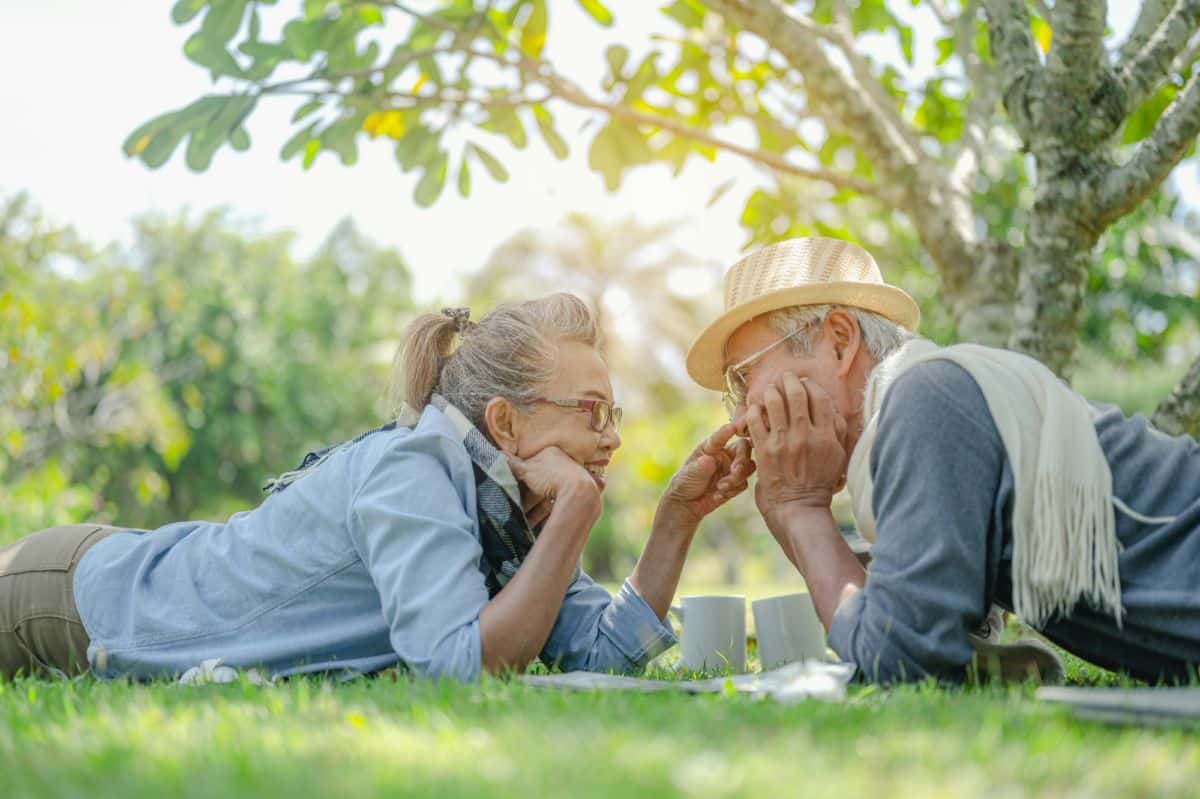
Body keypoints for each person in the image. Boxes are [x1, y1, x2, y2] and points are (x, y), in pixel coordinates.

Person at [0, 293, 754, 682]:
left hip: (108, 580)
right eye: (591, 412)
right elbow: (462, 668)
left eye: (612, 412)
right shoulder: (414, 469)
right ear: (506, 424)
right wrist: (578, 515)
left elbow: (600, 652)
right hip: (76, 598)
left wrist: (675, 519)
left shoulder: (514, 517)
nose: (612, 436)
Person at [686, 236, 1200, 683]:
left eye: (743, 377)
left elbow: (900, 657)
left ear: (840, 342)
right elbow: (901, 611)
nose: (745, 413)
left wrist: (800, 508)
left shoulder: (926, 399)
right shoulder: (924, 400)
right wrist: (791, 512)